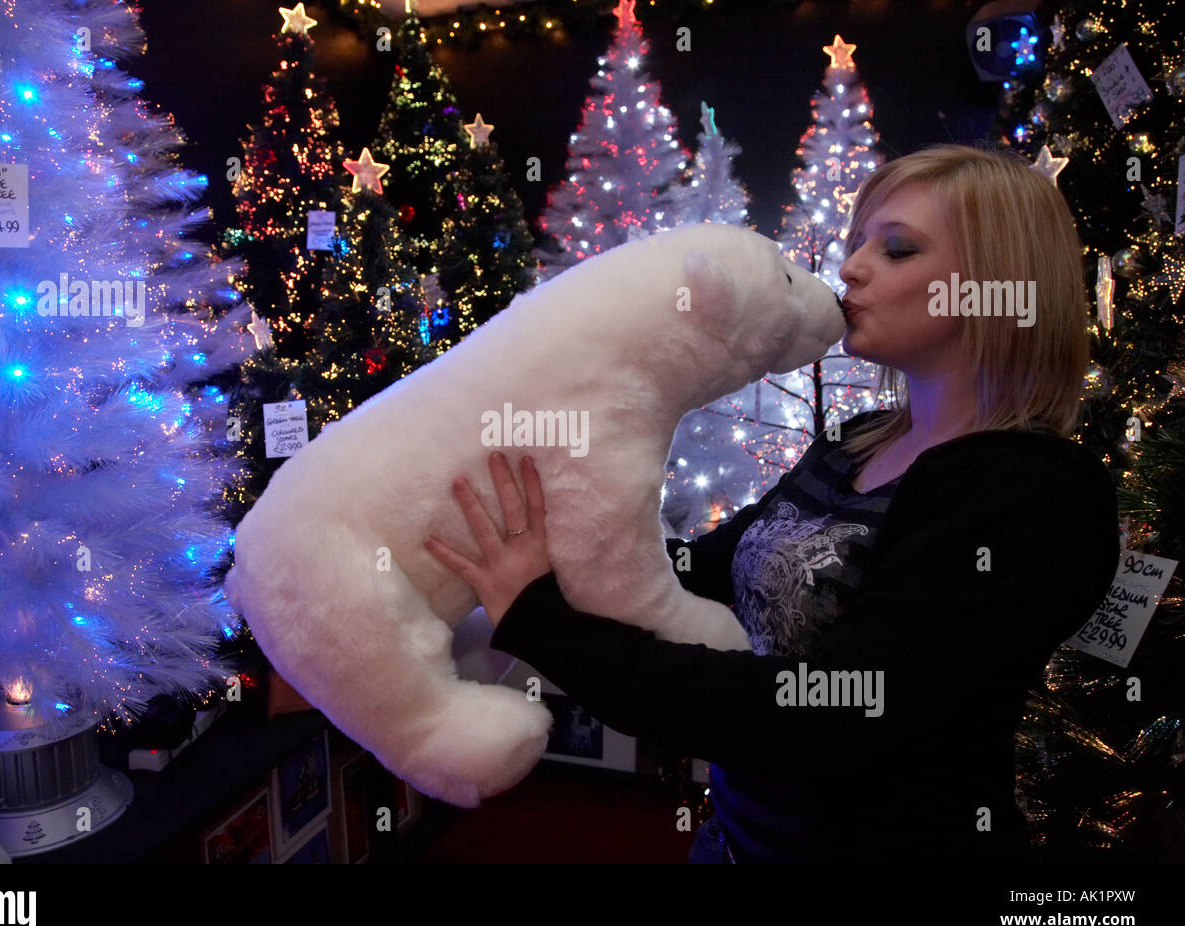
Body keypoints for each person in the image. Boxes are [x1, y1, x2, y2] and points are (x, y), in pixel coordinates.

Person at [423, 143, 1121, 863]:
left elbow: (832, 711)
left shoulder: (1032, 495)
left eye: (899, 249)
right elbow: (708, 567)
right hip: (735, 841)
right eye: (855, 244)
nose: (851, 268)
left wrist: (548, 627)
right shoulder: (855, 443)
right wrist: (559, 546)